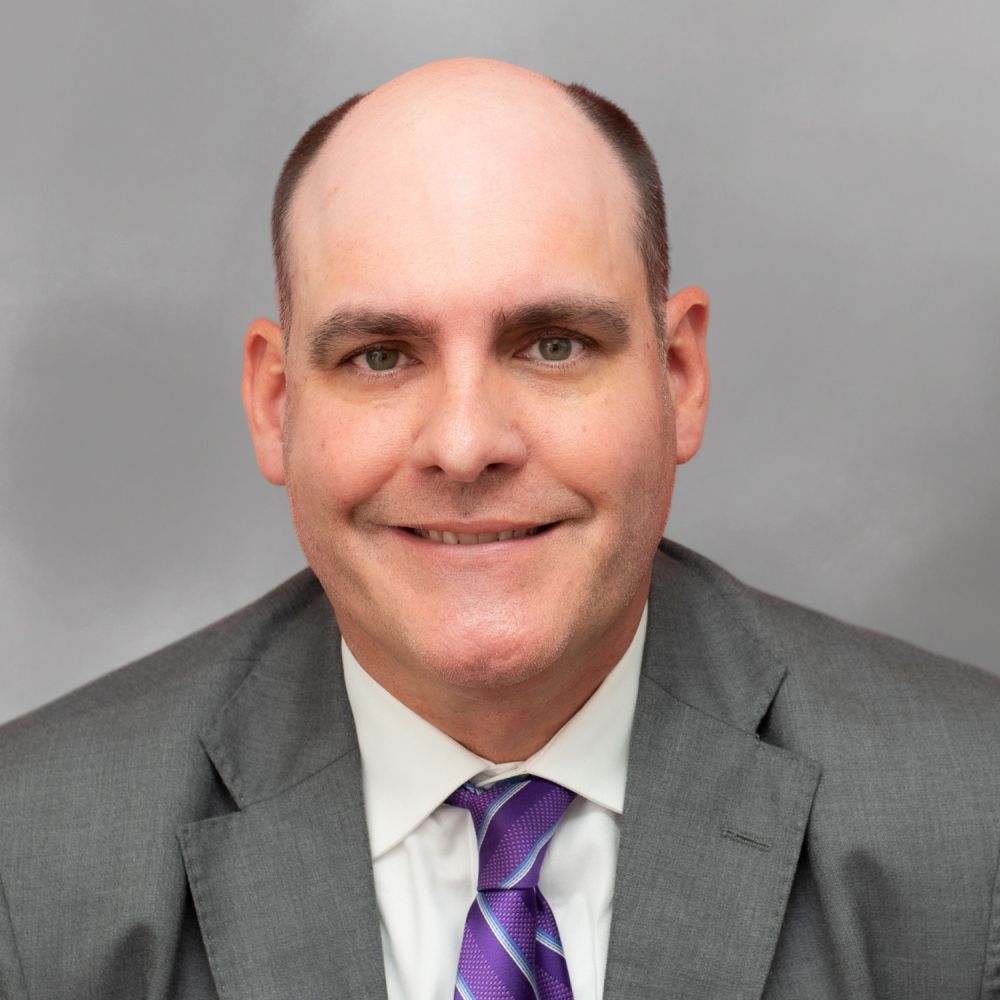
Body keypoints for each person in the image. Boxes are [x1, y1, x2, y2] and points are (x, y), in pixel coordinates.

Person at [1, 57, 998, 1000]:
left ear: (678, 377)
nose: (466, 443)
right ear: (274, 402)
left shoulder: (971, 820)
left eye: (552, 344)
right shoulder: (32, 862)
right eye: (381, 356)